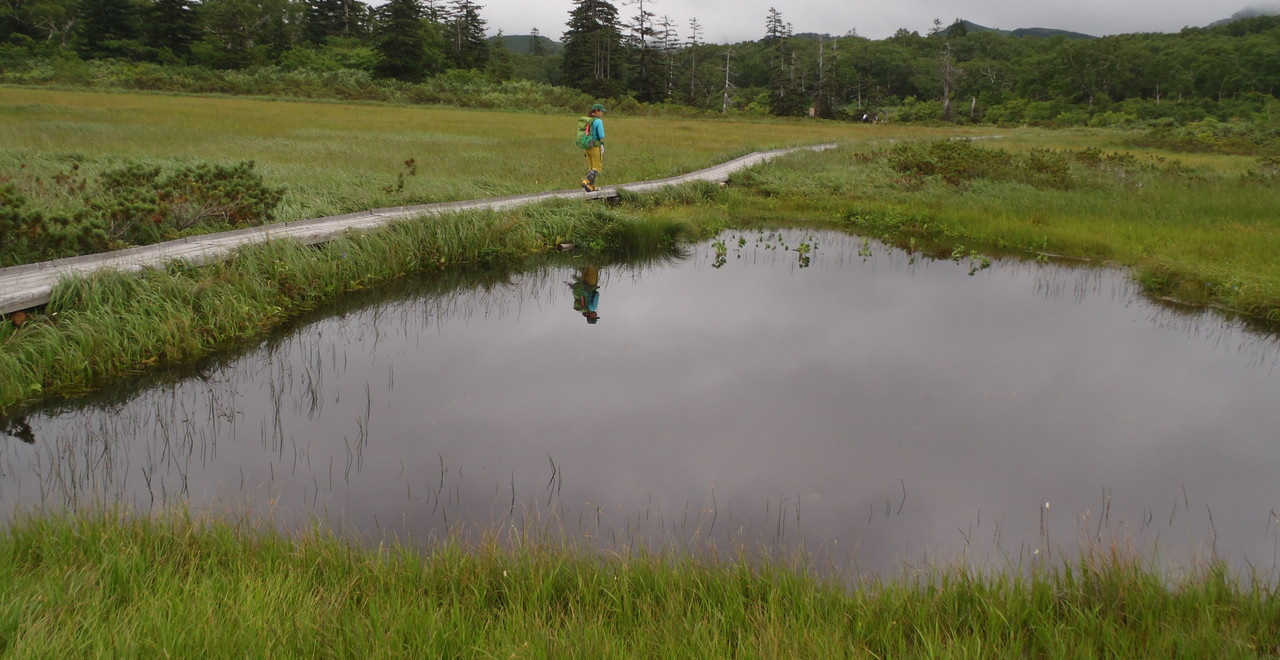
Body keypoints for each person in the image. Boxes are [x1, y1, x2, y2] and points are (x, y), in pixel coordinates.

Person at [580, 103, 606, 192]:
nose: (602, 113)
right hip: (595, 146)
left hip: (586, 147)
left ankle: (591, 186)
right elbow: (602, 135)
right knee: (597, 167)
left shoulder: (587, 120)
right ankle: (586, 181)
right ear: (596, 111)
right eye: (601, 111)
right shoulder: (598, 121)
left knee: (591, 167)